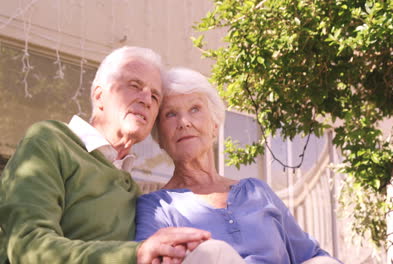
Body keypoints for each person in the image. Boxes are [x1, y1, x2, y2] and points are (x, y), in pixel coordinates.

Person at [0, 46, 239, 264]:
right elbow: (27, 245)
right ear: (98, 95)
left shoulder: (135, 193)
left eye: (155, 96)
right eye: (134, 86)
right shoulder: (51, 141)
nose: (146, 99)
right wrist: (134, 254)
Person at [135, 67, 343, 264]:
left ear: (214, 126)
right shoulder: (156, 206)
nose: (184, 122)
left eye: (195, 109)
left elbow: (310, 254)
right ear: (159, 137)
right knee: (214, 253)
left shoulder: (256, 191)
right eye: (170, 114)